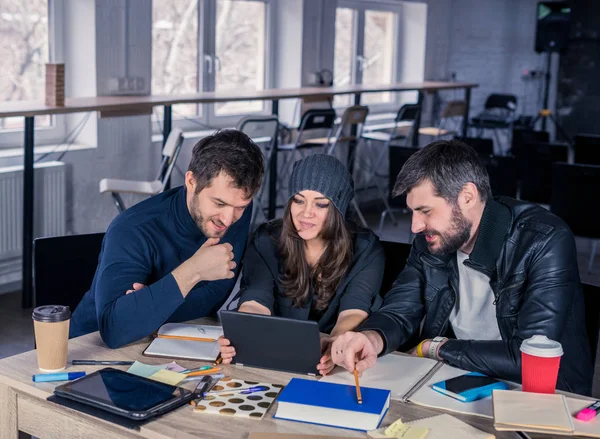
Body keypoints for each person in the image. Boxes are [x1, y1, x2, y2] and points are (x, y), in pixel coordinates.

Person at [330, 139, 593, 395]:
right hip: (457, 377)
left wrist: (438, 348)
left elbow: (531, 356)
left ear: (467, 196)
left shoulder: (545, 240)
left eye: (425, 211)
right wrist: (371, 338)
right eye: (412, 212)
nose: (415, 226)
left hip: (540, 393)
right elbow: (400, 311)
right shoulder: (430, 240)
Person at [69, 129, 265, 349]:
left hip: (165, 343)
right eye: (219, 203)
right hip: (87, 348)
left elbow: (215, 295)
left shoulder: (235, 209)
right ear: (191, 181)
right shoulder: (132, 229)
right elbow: (114, 330)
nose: (228, 219)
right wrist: (194, 271)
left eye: (240, 207)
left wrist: (147, 305)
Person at [218, 154, 385, 376]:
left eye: (321, 204)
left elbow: (353, 312)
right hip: (272, 359)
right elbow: (256, 302)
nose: (306, 213)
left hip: (332, 370)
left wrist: (336, 346)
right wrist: (243, 335)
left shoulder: (366, 248)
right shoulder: (266, 240)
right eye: (298, 200)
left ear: (338, 209)